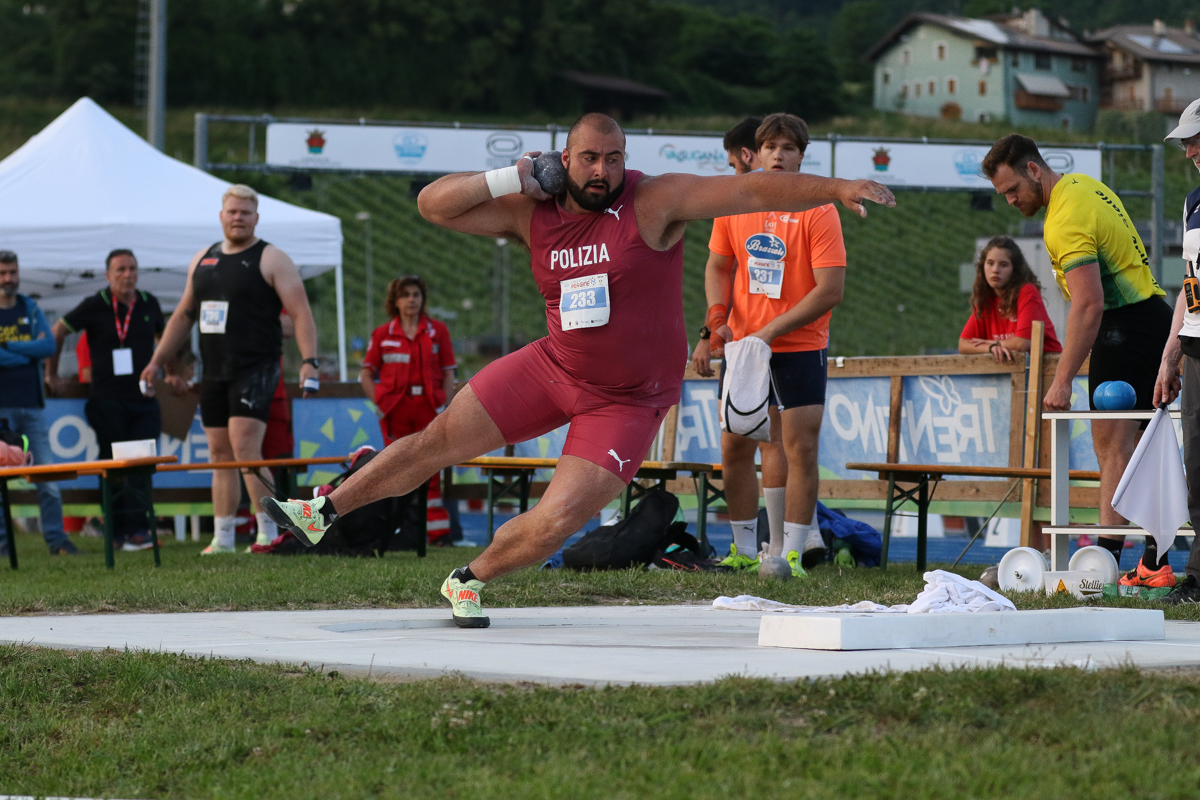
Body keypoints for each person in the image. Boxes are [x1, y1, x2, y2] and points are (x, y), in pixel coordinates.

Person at [263, 113, 895, 628]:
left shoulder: (653, 200)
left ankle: (468, 580)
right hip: (553, 364)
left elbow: (751, 191)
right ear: (562, 160)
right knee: (437, 441)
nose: (603, 171)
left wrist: (837, 188)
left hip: (627, 400)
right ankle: (322, 511)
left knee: (560, 518)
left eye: (614, 158)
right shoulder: (531, 210)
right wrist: (509, 177)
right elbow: (434, 205)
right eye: (590, 158)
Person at [983, 134, 1173, 582]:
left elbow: (1088, 304)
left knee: (1112, 446)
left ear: (1034, 170)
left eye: (1013, 189)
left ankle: (1104, 564)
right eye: (1003, 194)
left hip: (1124, 327)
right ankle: (1154, 562)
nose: (1011, 200)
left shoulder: (1065, 217)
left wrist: (1062, 379)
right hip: (1151, 319)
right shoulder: (1085, 186)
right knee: (1147, 448)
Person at [692, 113, 845, 575]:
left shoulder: (819, 210)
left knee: (799, 448)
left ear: (802, 156)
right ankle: (743, 550)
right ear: (756, 154)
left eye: (788, 148)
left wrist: (772, 331)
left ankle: (792, 553)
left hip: (800, 345)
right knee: (735, 448)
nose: (778, 155)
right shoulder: (734, 203)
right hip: (744, 347)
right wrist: (716, 321)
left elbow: (830, 290)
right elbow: (718, 266)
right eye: (770, 147)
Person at [140, 184, 321, 554]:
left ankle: (268, 532)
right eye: (232, 212)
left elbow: (301, 313)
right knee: (219, 453)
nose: (238, 218)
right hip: (215, 370)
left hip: (256, 367)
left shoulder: (272, 258)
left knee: (245, 448)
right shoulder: (203, 258)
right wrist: (156, 361)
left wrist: (310, 362)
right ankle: (222, 537)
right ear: (221, 216)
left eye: (245, 212)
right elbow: (184, 314)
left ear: (256, 218)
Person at [48, 249, 166, 551]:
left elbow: (167, 340)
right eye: (121, 269)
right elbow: (58, 331)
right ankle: (114, 530)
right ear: (108, 275)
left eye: (132, 268)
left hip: (144, 399)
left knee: (142, 465)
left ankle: (138, 530)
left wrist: (174, 374)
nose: (128, 275)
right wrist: (52, 373)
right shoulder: (95, 304)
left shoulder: (149, 302)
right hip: (107, 400)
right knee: (113, 466)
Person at [360, 275, 457, 544]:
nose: (411, 300)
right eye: (405, 295)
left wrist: (444, 406)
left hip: (429, 409)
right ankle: (397, 531)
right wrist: (380, 403)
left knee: (432, 468)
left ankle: (438, 534)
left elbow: (449, 372)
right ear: (395, 301)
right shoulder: (382, 334)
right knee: (396, 468)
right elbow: (366, 374)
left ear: (423, 299)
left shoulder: (438, 331)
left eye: (416, 294)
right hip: (395, 411)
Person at [0, 250, 76, 555]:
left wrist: (9, 345)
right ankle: (3, 546)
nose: (8, 278)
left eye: (12, 272)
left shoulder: (29, 308)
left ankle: (57, 542)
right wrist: (25, 354)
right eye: (3, 273)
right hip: (1, 410)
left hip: (32, 407)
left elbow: (47, 346)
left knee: (48, 479)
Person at [1154, 99, 1200, 603]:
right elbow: (1189, 285)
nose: (1190, 152)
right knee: (1198, 467)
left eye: (1196, 140)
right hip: (1197, 348)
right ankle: (1199, 579)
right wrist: (1171, 356)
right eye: (1186, 142)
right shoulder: (1193, 202)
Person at [958, 235, 1062, 362]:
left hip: (1048, 367)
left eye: (1003, 265)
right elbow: (963, 344)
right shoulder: (986, 299)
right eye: (990, 263)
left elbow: (1022, 344)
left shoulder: (1027, 292)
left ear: (1014, 269)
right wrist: (991, 347)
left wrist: (992, 343)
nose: (995, 270)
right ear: (982, 267)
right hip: (1013, 369)